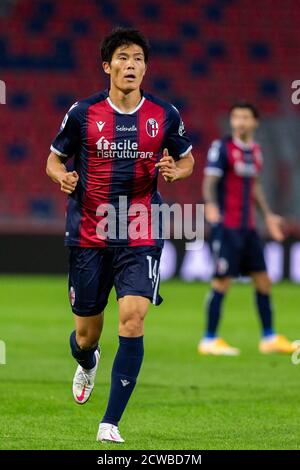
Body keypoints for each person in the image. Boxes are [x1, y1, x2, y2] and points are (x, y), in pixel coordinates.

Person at [46, 27, 194, 443]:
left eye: (138, 59)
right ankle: (86, 359)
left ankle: (109, 423)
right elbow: (53, 160)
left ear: (146, 68)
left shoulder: (164, 114)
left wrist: (174, 171)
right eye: (123, 58)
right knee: (86, 334)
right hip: (90, 233)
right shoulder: (82, 113)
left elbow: (187, 160)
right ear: (107, 66)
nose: (131, 65)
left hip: (141, 228)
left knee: (133, 319)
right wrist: (63, 176)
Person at [198, 102, 296, 356]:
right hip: (227, 227)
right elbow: (210, 181)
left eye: (245, 117)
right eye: (236, 117)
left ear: (254, 122)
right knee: (222, 281)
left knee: (263, 281)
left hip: (249, 228)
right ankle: (209, 339)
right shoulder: (222, 148)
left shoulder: (254, 150)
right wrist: (209, 204)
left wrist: (269, 216)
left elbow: (254, 187)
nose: (240, 122)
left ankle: (269, 337)